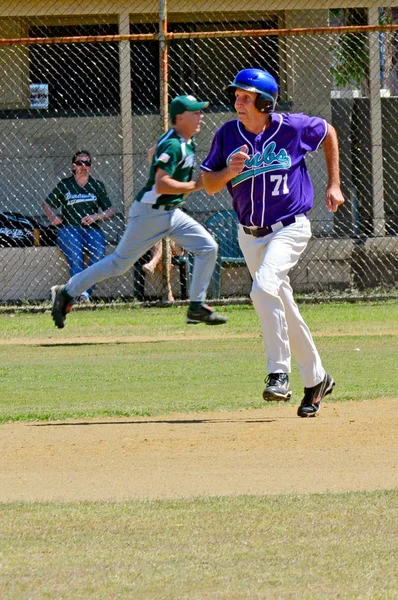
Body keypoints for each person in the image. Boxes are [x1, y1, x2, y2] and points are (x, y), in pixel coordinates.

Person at [201, 68, 345, 418]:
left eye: (247, 98)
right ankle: (317, 378)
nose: (238, 102)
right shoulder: (227, 135)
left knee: (262, 288)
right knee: (282, 305)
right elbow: (208, 183)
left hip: (290, 227)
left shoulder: (292, 127)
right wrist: (228, 173)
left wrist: (334, 183)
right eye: (236, 96)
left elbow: (328, 132)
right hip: (249, 234)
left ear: (266, 102)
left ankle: (278, 372)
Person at [50, 95, 227, 328]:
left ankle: (196, 306)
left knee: (208, 247)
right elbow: (162, 183)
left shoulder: (184, 141)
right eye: (195, 112)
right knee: (118, 264)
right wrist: (194, 186)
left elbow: (152, 152)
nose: (200, 116)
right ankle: (67, 292)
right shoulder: (174, 144)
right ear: (179, 118)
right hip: (150, 213)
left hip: (171, 212)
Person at [43, 151, 114, 302]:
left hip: (92, 229)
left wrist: (96, 216)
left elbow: (110, 211)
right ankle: (81, 295)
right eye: (80, 163)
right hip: (69, 227)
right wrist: (52, 217)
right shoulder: (65, 184)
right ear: (73, 166)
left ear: (90, 166)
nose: (84, 166)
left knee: (98, 255)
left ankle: (82, 294)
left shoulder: (96, 185)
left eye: (87, 163)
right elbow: (46, 204)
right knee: (76, 258)